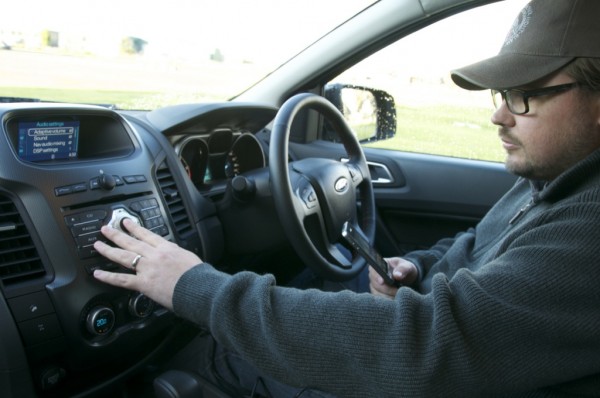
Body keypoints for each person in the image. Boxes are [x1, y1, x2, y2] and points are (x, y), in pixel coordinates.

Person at [92, 0, 600, 396]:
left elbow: (419, 348)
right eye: (500, 95)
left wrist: (192, 285)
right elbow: (480, 247)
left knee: (221, 361)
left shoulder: (589, 227)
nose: (499, 116)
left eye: (524, 95)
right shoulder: (555, 177)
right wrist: (420, 271)